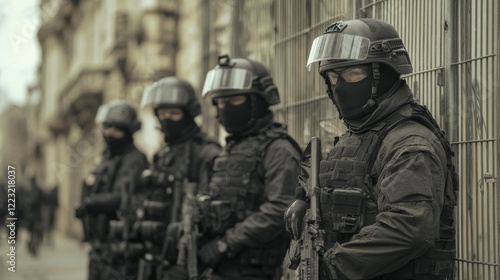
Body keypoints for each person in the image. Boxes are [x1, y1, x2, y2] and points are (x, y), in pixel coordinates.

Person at [284, 18, 458, 279]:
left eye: (353, 74)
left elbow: (408, 228)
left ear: (384, 74)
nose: (340, 86)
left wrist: (331, 268)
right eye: (333, 76)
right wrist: (304, 201)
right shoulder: (358, 136)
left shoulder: (408, 143)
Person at [164, 55, 302, 280]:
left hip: (255, 271)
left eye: (235, 100)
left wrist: (224, 245)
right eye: (220, 102)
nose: (225, 108)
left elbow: (279, 209)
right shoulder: (230, 149)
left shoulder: (278, 148)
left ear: (258, 101)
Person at [138, 76, 221, 279]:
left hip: (186, 260)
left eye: (174, 113)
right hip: (157, 257)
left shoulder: (205, 153)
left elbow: (213, 213)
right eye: (162, 113)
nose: (166, 119)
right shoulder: (163, 153)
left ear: (189, 113)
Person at [75, 100, 148, 280]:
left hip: (120, 250)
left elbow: (121, 198)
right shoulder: (105, 160)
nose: (110, 133)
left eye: (117, 129)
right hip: (99, 249)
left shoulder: (134, 160)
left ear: (128, 131)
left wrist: (89, 204)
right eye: (107, 127)